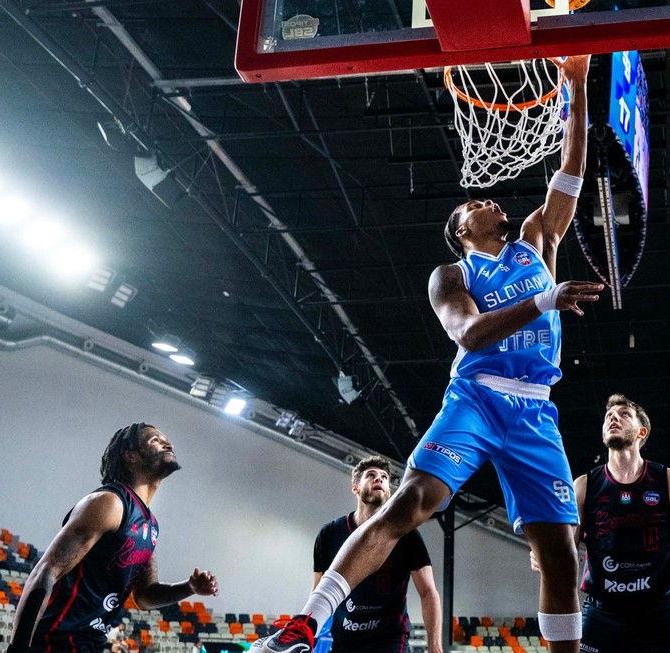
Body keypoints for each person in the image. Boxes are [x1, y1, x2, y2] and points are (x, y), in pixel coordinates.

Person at [256, 56, 601, 653]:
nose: (491, 201)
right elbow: (469, 334)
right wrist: (545, 299)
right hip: (476, 399)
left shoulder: (536, 240)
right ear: (462, 229)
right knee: (410, 503)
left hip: (534, 409)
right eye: (476, 203)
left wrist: (576, 84)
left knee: (560, 553)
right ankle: (306, 624)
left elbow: (571, 166)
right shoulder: (451, 274)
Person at [8, 423, 218, 653]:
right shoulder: (110, 502)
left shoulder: (150, 524)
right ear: (131, 456)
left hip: (91, 643)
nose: (168, 444)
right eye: (155, 440)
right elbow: (47, 570)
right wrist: (17, 648)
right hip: (56, 640)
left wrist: (189, 587)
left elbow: (144, 597)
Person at [560, 394, 670, 653]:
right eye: (609, 416)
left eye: (624, 414)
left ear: (642, 432)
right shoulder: (584, 486)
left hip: (661, 607)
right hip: (602, 611)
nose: (613, 418)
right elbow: (566, 547)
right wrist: (547, 553)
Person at [312, 456, 442, 653]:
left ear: (389, 491)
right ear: (355, 487)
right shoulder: (330, 534)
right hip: (344, 641)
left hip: (389, 640)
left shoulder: (406, 534)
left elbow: (428, 591)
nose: (379, 479)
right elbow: (318, 590)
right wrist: (309, 636)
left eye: (384, 477)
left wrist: (435, 645)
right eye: (371, 475)